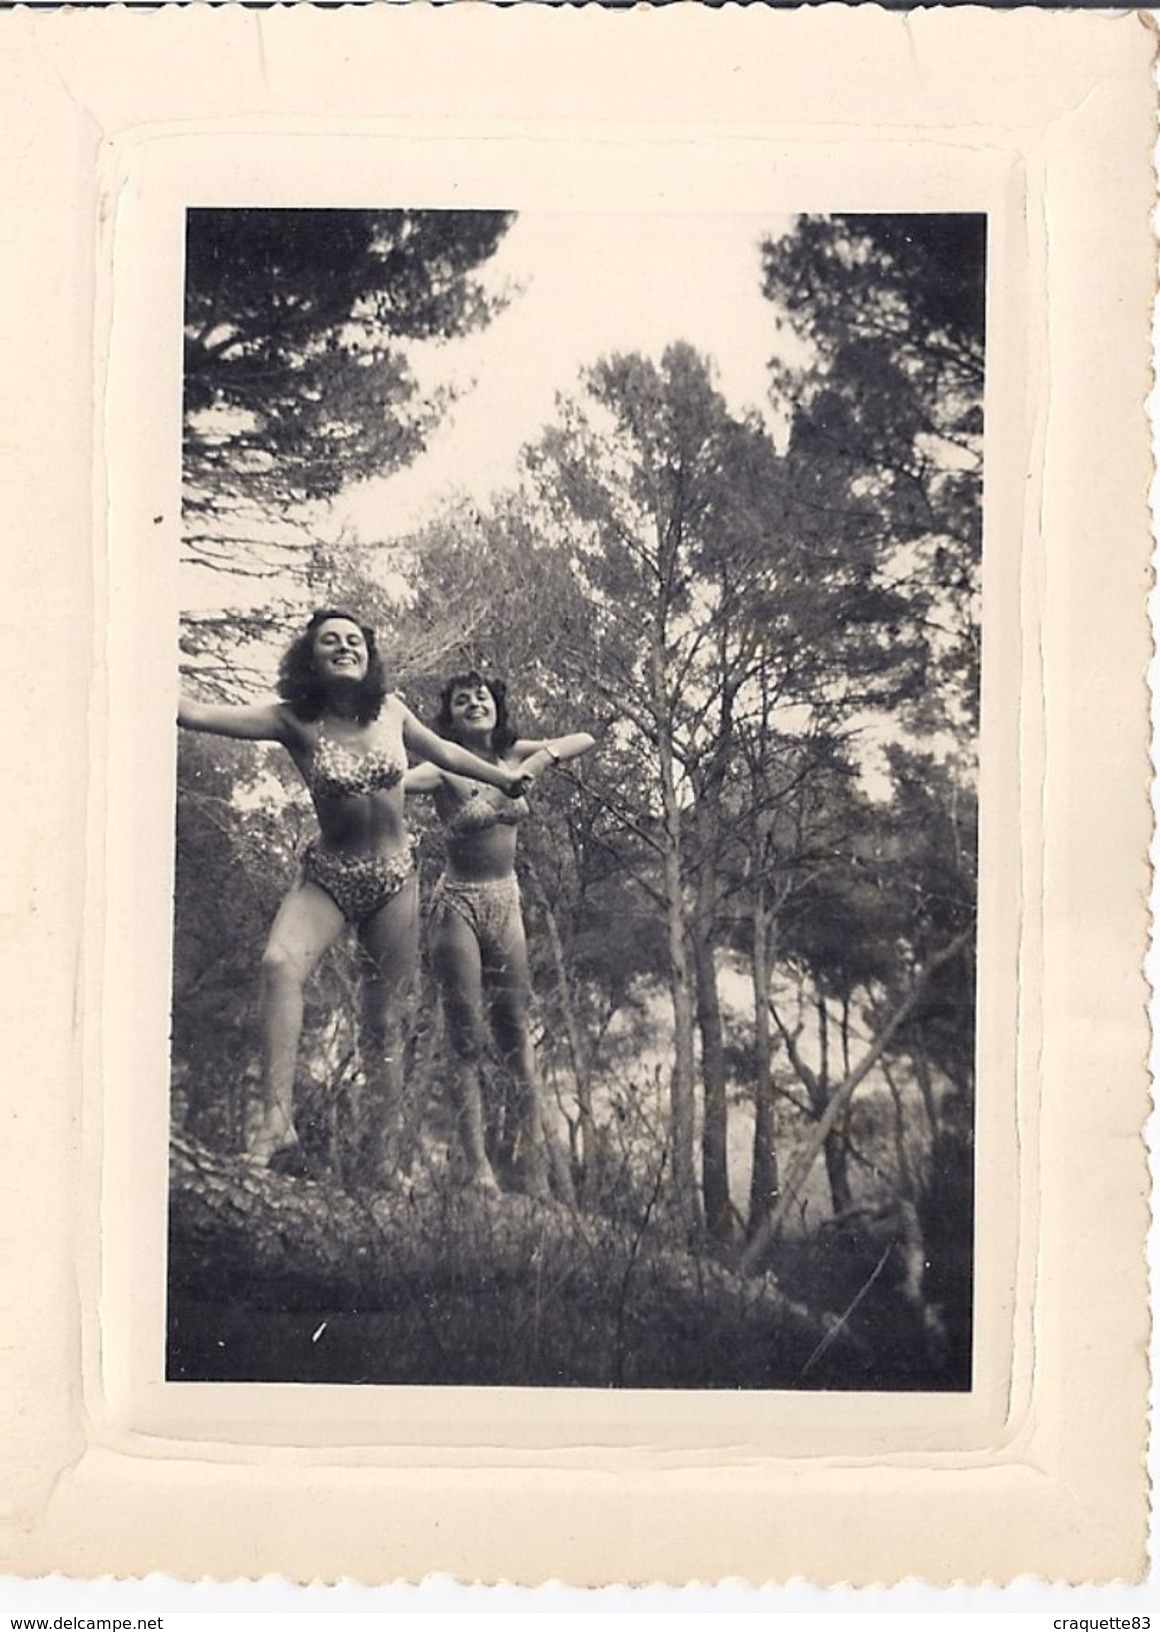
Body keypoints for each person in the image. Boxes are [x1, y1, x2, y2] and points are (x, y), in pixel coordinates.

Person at [177, 611, 533, 1183]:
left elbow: (443, 751)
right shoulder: (292, 720)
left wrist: (500, 780)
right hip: (330, 875)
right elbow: (193, 712)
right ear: (310, 658)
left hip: (394, 879)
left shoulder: (390, 710)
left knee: (383, 1023)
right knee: (279, 965)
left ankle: (385, 1163)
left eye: (354, 641)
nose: (344, 647)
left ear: (368, 656)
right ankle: (275, 1121)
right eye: (329, 642)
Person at [405, 672, 595, 1198]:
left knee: (514, 1031)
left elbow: (583, 739)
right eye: (461, 700)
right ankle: (478, 1170)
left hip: (506, 900)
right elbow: (398, 784)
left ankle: (533, 1170)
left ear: (496, 706)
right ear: (450, 714)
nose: (473, 704)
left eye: (481, 696)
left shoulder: (513, 751)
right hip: (458, 904)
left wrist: (532, 766)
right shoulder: (442, 761)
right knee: (465, 1038)